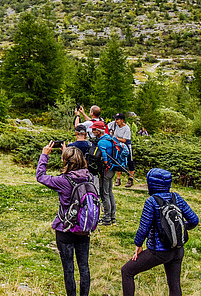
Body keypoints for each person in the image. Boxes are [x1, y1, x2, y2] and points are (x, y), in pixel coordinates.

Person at [121, 168, 199, 296]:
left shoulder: (151, 201)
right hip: (178, 249)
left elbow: (143, 228)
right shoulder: (176, 197)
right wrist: (181, 228)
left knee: (127, 271)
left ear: (151, 184)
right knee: (174, 285)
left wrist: (138, 245)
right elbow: (194, 220)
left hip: (159, 251)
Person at [36, 142, 95, 296]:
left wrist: (45, 155)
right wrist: (69, 153)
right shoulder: (90, 177)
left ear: (65, 161)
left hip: (65, 228)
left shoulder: (63, 181)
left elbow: (40, 176)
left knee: (68, 268)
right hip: (84, 228)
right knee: (84, 266)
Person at [91, 120, 118, 225]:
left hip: (106, 169)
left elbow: (105, 159)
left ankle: (107, 218)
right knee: (110, 192)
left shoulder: (101, 142)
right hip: (112, 169)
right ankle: (112, 216)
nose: (92, 131)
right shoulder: (110, 139)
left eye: (94, 129)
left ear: (98, 131)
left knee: (104, 193)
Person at [108, 113, 135, 187]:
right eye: (115, 119)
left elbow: (125, 140)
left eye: (117, 119)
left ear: (122, 120)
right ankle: (118, 178)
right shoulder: (114, 125)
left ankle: (130, 179)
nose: (116, 121)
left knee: (130, 161)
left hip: (125, 145)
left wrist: (115, 138)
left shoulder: (126, 128)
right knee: (118, 160)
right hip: (117, 145)